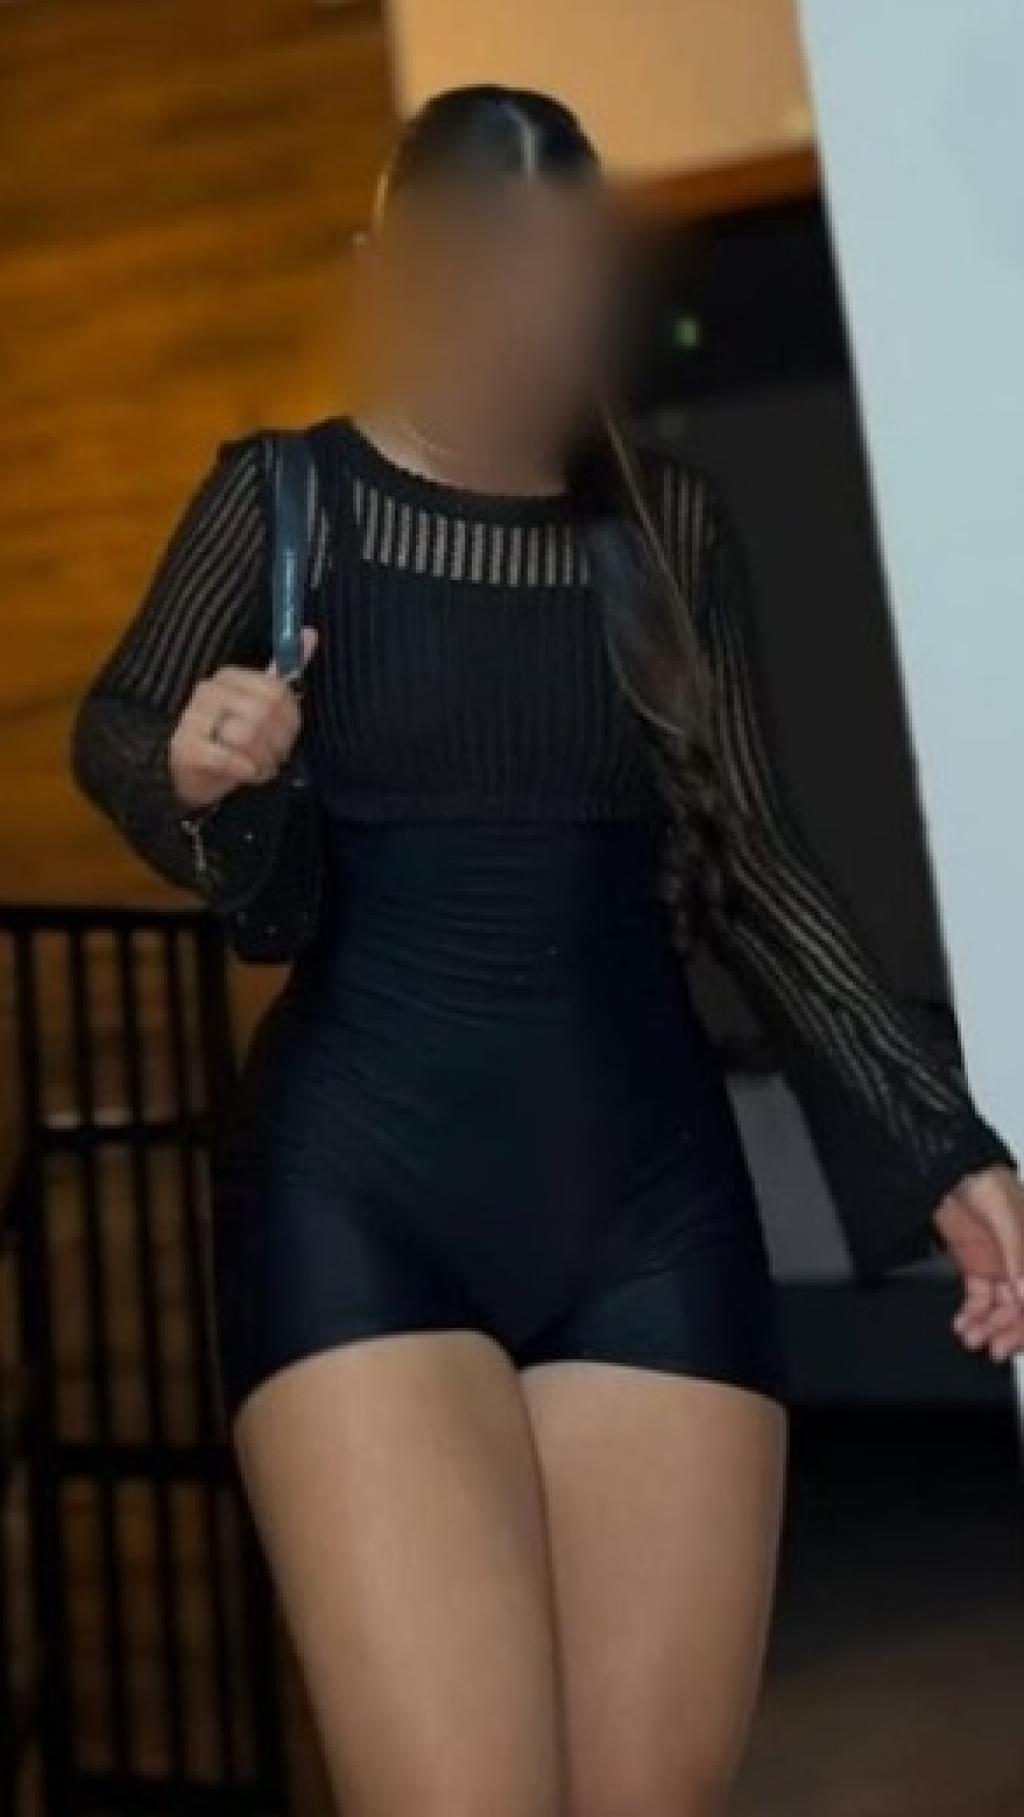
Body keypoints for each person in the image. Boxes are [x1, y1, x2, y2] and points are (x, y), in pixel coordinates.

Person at [70, 84, 1024, 1817]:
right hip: (360, 1196)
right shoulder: (288, 503)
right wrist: (195, 762)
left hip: (648, 1203)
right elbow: (121, 724)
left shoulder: (665, 533)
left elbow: (756, 856)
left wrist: (937, 1136)